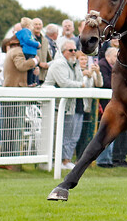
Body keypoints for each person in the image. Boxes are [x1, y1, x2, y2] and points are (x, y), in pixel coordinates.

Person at [44, 41, 90, 170]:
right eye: (71, 50)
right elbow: (64, 83)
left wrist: (80, 84)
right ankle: (56, 160)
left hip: (72, 103)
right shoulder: (58, 63)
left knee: (72, 134)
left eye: (75, 50)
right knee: (58, 134)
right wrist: (80, 85)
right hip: (57, 105)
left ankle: (66, 160)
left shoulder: (74, 64)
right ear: (63, 51)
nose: (74, 52)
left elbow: (80, 80)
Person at [96, 46, 118, 167]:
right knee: (105, 131)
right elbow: (107, 83)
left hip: (111, 103)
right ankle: (102, 160)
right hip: (104, 104)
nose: (117, 58)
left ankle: (107, 159)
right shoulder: (103, 65)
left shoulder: (115, 67)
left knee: (112, 130)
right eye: (115, 56)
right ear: (108, 56)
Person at [16, 18, 41, 86]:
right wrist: (37, 44)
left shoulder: (24, 32)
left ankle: (32, 81)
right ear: (28, 25)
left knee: (32, 68)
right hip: (29, 52)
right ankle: (30, 82)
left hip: (30, 51)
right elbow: (27, 40)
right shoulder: (26, 31)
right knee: (30, 67)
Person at [32, 18, 52, 84]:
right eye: (35, 24)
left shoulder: (45, 40)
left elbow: (48, 56)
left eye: (39, 24)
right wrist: (39, 63)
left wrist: (49, 64)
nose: (38, 26)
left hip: (44, 75)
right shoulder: (29, 39)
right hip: (33, 73)